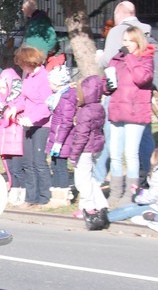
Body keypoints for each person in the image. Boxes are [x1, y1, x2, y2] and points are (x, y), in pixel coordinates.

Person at [93, 1, 154, 185]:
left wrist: (100, 58)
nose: (125, 43)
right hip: (137, 99)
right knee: (141, 139)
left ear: (119, 14)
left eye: (128, 41)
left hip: (125, 98)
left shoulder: (117, 31)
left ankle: (99, 176)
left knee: (119, 145)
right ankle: (147, 173)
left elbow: (109, 62)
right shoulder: (147, 28)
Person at [104, 26, 154, 206]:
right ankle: (116, 192)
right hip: (118, 110)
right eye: (124, 40)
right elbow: (106, 81)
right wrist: (107, 85)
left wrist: (131, 58)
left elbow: (142, 78)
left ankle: (130, 193)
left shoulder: (146, 59)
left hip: (135, 111)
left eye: (129, 41)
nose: (125, 44)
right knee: (115, 153)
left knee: (131, 153)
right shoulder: (116, 59)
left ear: (138, 41)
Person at [60, 75, 109, 230]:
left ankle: (88, 207)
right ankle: (101, 204)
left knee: (82, 180)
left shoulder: (84, 112)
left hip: (85, 150)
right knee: (90, 178)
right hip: (96, 147)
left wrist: (74, 155)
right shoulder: (99, 108)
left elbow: (81, 135)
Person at [7, 46, 52, 206]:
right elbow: (23, 98)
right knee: (28, 162)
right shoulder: (28, 77)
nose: (21, 67)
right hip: (27, 123)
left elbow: (47, 105)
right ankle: (30, 197)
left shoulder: (44, 78)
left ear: (29, 62)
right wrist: (15, 107)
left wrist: (32, 119)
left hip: (41, 125)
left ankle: (44, 197)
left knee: (39, 162)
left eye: (22, 64)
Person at [107, 146, 158, 223]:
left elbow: (152, 197)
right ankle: (106, 215)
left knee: (129, 210)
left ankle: (105, 218)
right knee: (129, 207)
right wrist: (140, 191)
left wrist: (137, 197)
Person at [0, 66, 25, 204]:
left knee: (17, 167)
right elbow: (0, 119)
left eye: (4, 87)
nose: (1, 90)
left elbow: (17, 112)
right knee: (9, 166)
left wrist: (4, 108)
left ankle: (20, 190)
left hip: (16, 135)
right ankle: (13, 188)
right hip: (5, 137)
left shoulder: (19, 99)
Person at [45, 65, 76, 204]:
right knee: (55, 165)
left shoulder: (67, 97)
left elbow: (66, 121)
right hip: (56, 136)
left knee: (61, 167)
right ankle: (56, 193)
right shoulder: (58, 96)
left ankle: (63, 193)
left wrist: (59, 141)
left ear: (58, 82)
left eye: (51, 82)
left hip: (62, 139)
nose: (49, 84)